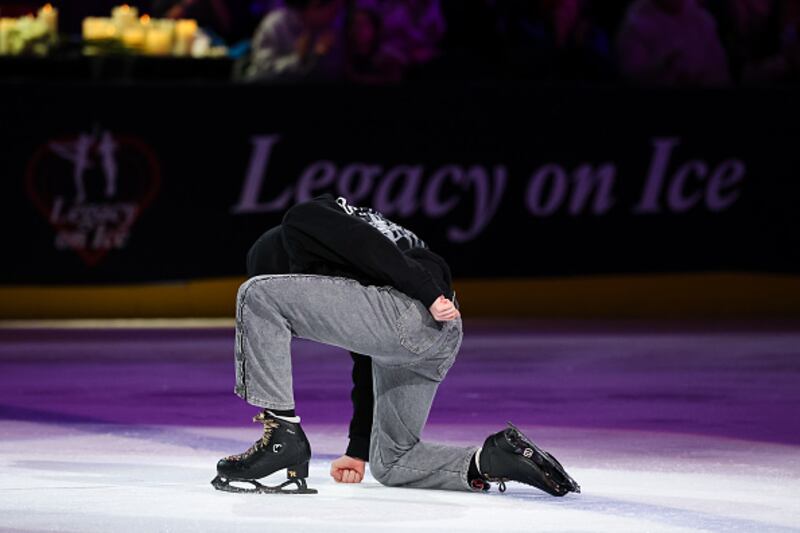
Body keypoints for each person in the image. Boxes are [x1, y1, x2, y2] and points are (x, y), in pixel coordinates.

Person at [212, 195, 580, 496]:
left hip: (414, 308)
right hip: (436, 334)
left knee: (255, 295)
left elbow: (365, 245)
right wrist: (358, 450)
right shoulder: (358, 243)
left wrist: (426, 293)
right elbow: (365, 356)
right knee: (391, 462)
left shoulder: (303, 221)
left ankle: (282, 434)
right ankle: (497, 458)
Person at [616, 0, 730, 86]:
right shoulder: (636, 24)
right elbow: (632, 75)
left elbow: (719, 68)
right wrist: (661, 70)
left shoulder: (700, 18)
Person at [244, 0, 345, 81]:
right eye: (333, 8)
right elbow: (263, 70)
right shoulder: (275, 24)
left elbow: (332, 73)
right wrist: (299, 58)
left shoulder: (330, 27)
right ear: (315, 5)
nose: (336, 14)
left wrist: (319, 56)